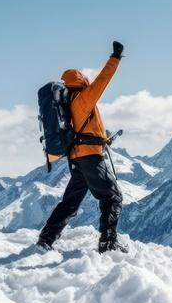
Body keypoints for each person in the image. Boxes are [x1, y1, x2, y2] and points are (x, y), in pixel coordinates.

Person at [37, 40, 128, 253]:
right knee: (112, 196)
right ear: (81, 80)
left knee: (70, 202)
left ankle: (46, 239)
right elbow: (102, 81)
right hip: (90, 157)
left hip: (77, 158)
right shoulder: (84, 98)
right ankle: (108, 242)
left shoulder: (68, 105)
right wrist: (115, 58)